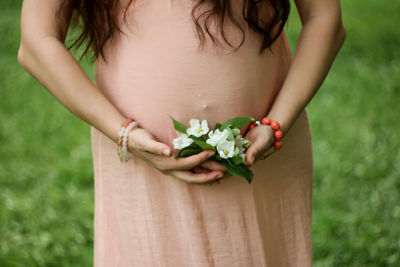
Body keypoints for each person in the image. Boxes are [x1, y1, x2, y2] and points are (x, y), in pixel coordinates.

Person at [18, 0, 345, 265]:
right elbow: (36, 40)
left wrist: (277, 123)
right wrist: (124, 135)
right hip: (140, 165)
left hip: (265, 156)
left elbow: (324, 16)